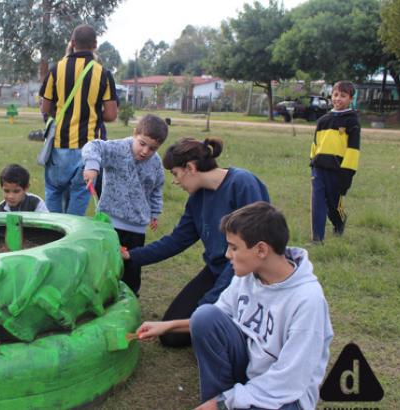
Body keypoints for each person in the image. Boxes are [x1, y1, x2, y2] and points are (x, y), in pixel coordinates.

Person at [137, 202, 333, 410]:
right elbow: (218, 316)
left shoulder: (307, 301)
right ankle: (220, 399)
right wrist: (167, 326)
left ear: (261, 250)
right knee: (205, 316)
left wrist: (222, 403)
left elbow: (288, 381)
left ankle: (222, 403)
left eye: (234, 247)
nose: (227, 255)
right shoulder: (248, 275)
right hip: (250, 373)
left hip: (285, 396)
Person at [122, 137, 270, 347]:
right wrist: (132, 256)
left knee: (203, 322)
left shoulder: (242, 184)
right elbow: (176, 240)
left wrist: (209, 304)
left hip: (248, 275)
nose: (175, 181)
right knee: (171, 336)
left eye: (175, 174)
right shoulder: (197, 199)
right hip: (217, 269)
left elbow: (251, 249)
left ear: (190, 167)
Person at [82, 114, 168, 294]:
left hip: (137, 227)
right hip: (110, 223)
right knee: (106, 263)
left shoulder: (156, 163)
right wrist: (92, 165)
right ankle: (102, 294)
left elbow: (156, 189)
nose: (145, 151)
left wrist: (154, 212)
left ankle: (129, 298)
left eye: (152, 148)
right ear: (135, 134)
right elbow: (94, 146)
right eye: (142, 144)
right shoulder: (118, 149)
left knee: (132, 267)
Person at [39, 24, 117, 215]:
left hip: (59, 146)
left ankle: (53, 235)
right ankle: (72, 236)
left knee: (54, 191)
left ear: (72, 43)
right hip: (89, 149)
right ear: (95, 45)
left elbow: (46, 108)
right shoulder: (104, 74)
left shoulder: (56, 69)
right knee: (79, 196)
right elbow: (111, 115)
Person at [310, 80, 360, 242]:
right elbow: (315, 144)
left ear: (351, 98)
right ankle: (317, 238)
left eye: (343, 96)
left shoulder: (352, 121)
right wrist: (312, 162)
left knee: (333, 205)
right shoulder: (323, 120)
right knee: (317, 203)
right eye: (336, 95)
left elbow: (353, 150)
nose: (338, 99)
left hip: (338, 171)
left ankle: (339, 221)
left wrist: (347, 174)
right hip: (318, 168)